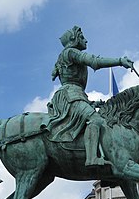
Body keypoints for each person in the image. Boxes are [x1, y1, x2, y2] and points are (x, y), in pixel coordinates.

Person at [48, 25, 133, 166]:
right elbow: (95, 62)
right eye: (82, 37)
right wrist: (119, 61)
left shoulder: (65, 55)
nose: (86, 40)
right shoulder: (71, 52)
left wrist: (92, 103)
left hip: (75, 95)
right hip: (70, 95)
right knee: (96, 120)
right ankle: (92, 158)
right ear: (73, 39)